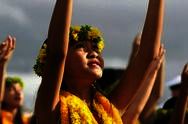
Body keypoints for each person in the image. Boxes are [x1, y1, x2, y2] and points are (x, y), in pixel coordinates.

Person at [34, 0, 165, 124]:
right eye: (80, 46)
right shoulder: (51, 105)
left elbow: (146, 57)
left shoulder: (108, 108)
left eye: (96, 48)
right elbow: (56, 55)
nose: (94, 53)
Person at [0, 36, 30, 124]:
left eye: (20, 89)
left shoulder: (27, 120)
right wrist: (2, 65)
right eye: (11, 89)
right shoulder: (2, 117)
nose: (18, 93)